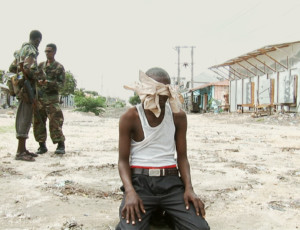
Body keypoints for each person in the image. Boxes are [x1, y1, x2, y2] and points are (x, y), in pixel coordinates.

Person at [116, 68, 210, 230]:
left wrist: (189, 188)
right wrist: (130, 192)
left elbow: (182, 157)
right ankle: (153, 213)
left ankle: (168, 215)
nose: (160, 96)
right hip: (140, 183)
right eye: (155, 91)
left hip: (171, 183)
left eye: (164, 91)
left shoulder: (177, 116)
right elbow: (123, 161)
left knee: (200, 228)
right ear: (145, 90)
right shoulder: (130, 117)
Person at [9, 30, 42, 162]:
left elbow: (12, 68)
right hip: (27, 87)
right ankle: (20, 151)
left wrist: (19, 76)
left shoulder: (20, 51)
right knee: (25, 116)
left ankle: (23, 149)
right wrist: (33, 76)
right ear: (37, 40)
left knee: (24, 115)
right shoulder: (31, 50)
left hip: (21, 85)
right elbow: (28, 68)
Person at [33, 43, 66, 155]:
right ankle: (42, 146)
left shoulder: (59, 67)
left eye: (49, 51)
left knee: (55, 122)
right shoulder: (41, 65)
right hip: (40, 99)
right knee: (38, 122)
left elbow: (61, 85)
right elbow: (35, 78)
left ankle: (60, 145)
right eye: (46, 51)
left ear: (54, 52)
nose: (47, 53)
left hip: (52, 99)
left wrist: (49, 83)